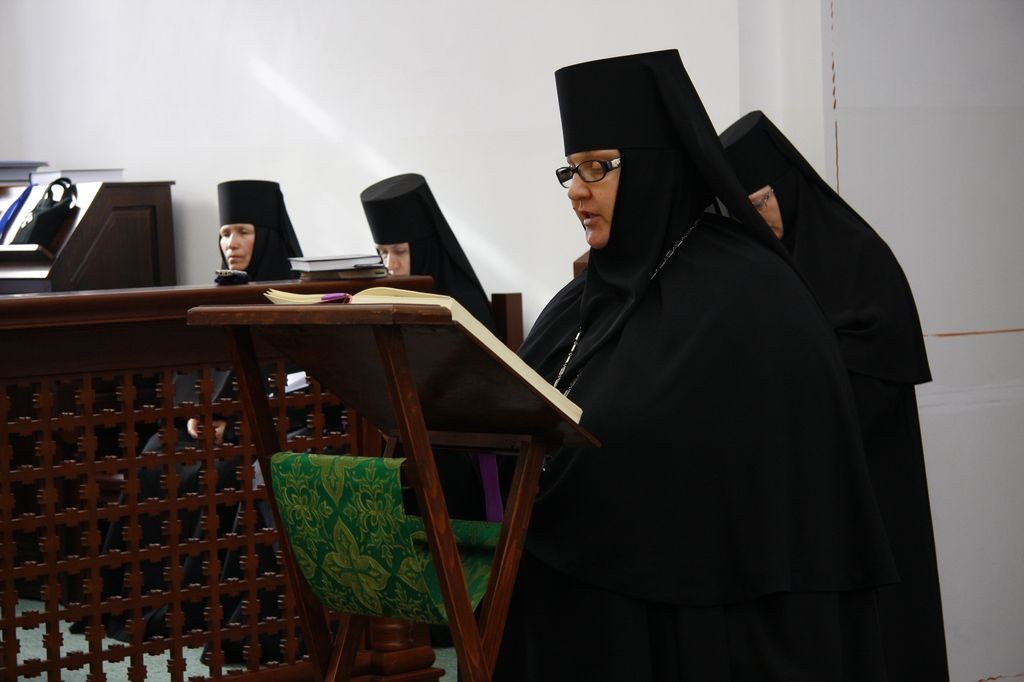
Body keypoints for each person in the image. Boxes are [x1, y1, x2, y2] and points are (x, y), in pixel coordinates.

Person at [493, 50, 897, 681]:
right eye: (571, 170)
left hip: (700, 622)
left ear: (655, 166)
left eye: (598, 167)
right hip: (581, 606)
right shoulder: (582, 297)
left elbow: (726, 474)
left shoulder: (755, 293)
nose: (576, 190)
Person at [720, 110, 948, 681]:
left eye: (761, 201)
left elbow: (874, 367)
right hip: (807, 495)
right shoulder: (765, 269)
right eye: (741, 207)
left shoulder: (858, 256)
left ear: (788, 188)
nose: (755, 217)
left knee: (886, 634)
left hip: (871, 481)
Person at [98, 180, 303, 645]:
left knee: (224, 473)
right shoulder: (219, 292)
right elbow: (193, 367)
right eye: (225, 233)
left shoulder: (295, 298)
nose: (231, 244)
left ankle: (196, 606)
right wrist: (189, 414)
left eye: (243, 232)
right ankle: (143, 599)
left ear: (267, 237)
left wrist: (235, 423)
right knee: (156, 456)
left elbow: (297, 384)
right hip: (202, 431)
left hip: (255, 436)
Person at [360, 173, 496, 332]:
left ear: (424, 251)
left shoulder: (464, 305)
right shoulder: (380, 300)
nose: (389, 265)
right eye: (382, 252)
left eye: (400, 251)